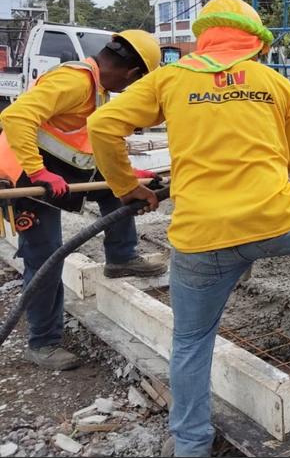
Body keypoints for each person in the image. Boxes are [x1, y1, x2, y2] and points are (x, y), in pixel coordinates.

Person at [86, 0, 290, 457]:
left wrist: (127, 189)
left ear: (203, 37)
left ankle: (190, 446)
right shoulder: (272, 81)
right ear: (255, 41)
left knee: (190, 341)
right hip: (277, 222)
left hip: (202, 238)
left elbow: (104, 126)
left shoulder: (170, 78)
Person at [0, 30, 166, 371]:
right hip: (23, 175)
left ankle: (121, 257)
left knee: (116, 188)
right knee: (46, 256)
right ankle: (43, 343)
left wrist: (131, 176)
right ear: (133, 74)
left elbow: (87, 146)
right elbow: (15, 117)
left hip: (53, 169)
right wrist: (38, 172)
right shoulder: (75, 81)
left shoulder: (98, 90)